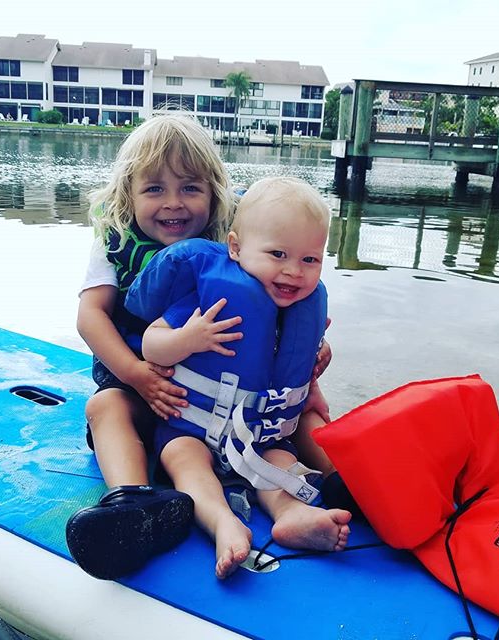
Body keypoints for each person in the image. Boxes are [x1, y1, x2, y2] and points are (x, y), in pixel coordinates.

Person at [66, 114, 343, 582]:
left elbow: (282, 307)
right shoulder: (113, 244)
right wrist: (138, 375)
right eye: (154, 189)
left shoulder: (232, 243)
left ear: (214, 194)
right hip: (141, 384)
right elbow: (90, 317)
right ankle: (134, 502)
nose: (173, 203)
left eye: (190, 188)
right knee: (105, 406)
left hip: (231, 398)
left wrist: (308, 373)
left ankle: (348, 486)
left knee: (306, 421)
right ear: (127, 195)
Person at [133, 177, 352, 579]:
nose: (293, 272)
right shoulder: (214, 298)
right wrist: (188, 338)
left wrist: (316, 370)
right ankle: (221, 522)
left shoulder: (303, 311)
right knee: (187, 465)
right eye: (278, 254)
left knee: (280, 464)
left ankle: (291, 514)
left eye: (310, 260)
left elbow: (295, 373)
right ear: (235, 247)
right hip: (190, 431)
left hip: (262, 437)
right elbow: (151, 344)